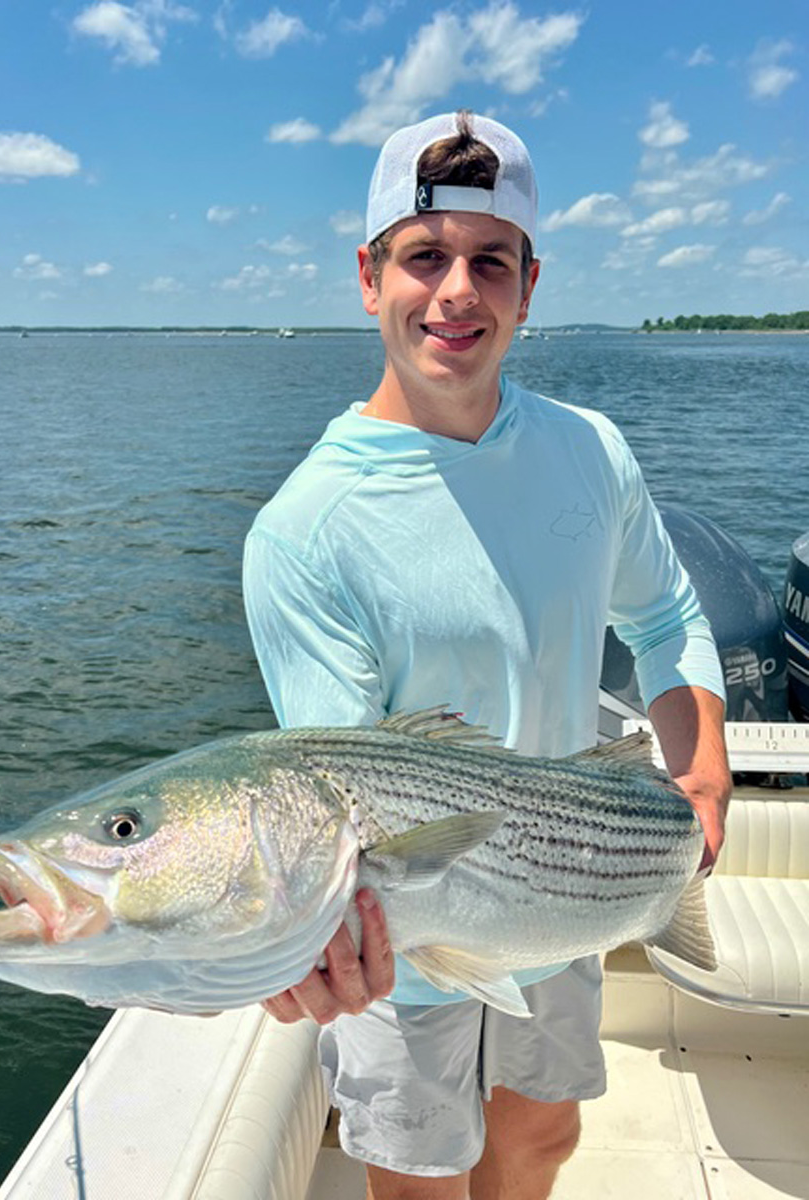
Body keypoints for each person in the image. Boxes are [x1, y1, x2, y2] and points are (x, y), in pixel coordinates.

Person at [242, 110, 731, 1200]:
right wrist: (287, 942)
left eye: (491, 261)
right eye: (425, 256)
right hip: (408, 954)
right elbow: (344, 803)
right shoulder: (305, 530)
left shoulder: (590, 449)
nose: (457, 291)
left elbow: (665, 618)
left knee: (542, 1140)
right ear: (368, 277)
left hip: (572, 886)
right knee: (422, 1179)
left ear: (530, 285)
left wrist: (703, 776)